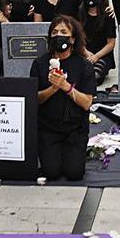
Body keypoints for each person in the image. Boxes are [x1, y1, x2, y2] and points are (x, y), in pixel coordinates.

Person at [30, 16, 97, 181]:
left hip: (75, 129)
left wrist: (65, 86)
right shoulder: (39, 63)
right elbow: (34, 99)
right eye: (55, 32)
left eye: (63, 32)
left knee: (74, 173)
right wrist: (53, 88)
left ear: (72, 39)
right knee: (51, 172)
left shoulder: (83, 65)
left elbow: (87, 103)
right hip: (48, 128)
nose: (58, 35)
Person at [79, 0, 117, 85]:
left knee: (95, 78)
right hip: (84, 52)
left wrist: (96, 57)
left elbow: (111, 43)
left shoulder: (108, 15)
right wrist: (85, 52)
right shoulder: (80, 13)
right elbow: (76, 38)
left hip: (102, 55)